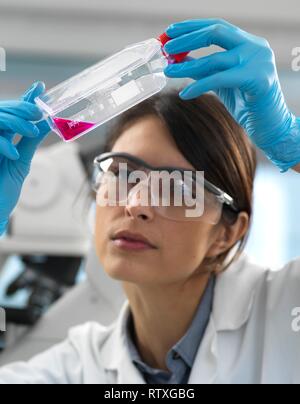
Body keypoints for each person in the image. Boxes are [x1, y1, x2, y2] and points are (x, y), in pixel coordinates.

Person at [0, 19, 300, 384]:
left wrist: (291, 143)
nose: (136, 205)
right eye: (123, 174)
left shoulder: (286, 313)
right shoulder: (73, 368)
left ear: (228, 232)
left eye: (175, 188)